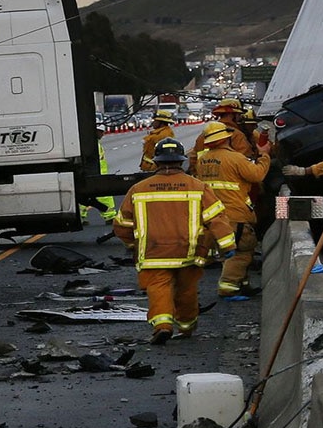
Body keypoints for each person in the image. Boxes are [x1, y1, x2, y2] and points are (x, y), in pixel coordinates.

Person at [113, 136, 235, 344]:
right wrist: (227, 246)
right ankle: (186, 327)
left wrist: (133, 244)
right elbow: (217, 219)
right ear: (181, 161)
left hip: (153, 253)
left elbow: (122, 225)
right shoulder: (197, 187)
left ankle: (162, 325)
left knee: (158, 288)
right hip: (189, 252)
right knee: (186, 290)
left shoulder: (138, 189)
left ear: (156, 161)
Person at [193, 121, 270, 297]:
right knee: (243, 250)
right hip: (235, 214)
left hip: (213, 215)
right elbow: (257, 174)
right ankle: (228, 287)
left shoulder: (203, 160)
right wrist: (264, 156)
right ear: (227, 138)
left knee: (227, 251)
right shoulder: (235, 158)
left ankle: (242, 283)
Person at [187, 98, 253, 171]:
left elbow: (193, 161)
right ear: (232, 115)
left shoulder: (204, 135)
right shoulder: (237, 135)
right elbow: (246, 163)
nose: (239, 118)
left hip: (203, 179)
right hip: (230, 178)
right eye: (238, 114)